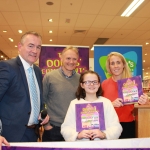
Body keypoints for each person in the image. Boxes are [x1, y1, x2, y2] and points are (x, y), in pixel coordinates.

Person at [0, 31, 49, 144]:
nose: (35, 51)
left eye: (38, 47)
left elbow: (35, 100)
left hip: (33, 133)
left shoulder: (37, 71)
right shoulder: (7, 67)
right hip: (9, 136)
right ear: (20, 46)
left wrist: (42, 114)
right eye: (30, 46)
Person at [61, 70, 122, 141]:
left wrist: (103, 134)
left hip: (102, 146)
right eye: (87, 82)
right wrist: (77, 135)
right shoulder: (74, 103)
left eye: (95, 82)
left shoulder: (106, 103)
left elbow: (116, 127)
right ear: (82, 85)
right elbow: (65, 128)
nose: (92, 85)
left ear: (99, 84)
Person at [102, 52, 148, 139]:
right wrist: (111, 104)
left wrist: (145, 101)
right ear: (109, 67)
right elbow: (99, 107)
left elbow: (142, 106)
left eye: (118, 62)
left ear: (123, 64)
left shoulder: (133, 83)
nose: (116, 66)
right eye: (112, 63)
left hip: (128, 125)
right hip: (109, 126)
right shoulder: (104, 84)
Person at [42, 46, 80, 141]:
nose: (71, 62)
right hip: (53, 129)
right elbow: (41, 101)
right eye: (68, 58)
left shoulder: (81, 79)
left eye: (74, 59)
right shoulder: (49, 77)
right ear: (61, 58)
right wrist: (46, 125)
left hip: (74, 129)